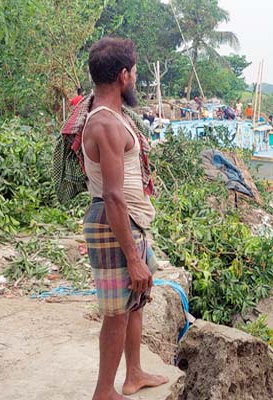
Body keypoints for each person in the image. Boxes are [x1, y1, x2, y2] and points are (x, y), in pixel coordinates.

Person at [81, 37, 168, 400]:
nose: (134, 78)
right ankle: (104, 391)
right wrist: (132, 257)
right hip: (114, 221)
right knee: (117, 312)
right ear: (122, 76)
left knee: (136, 300)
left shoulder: (113, 116)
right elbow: (113, 195)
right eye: (133, 72)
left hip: (131, 221)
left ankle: (133, 374)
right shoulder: (106, 125)